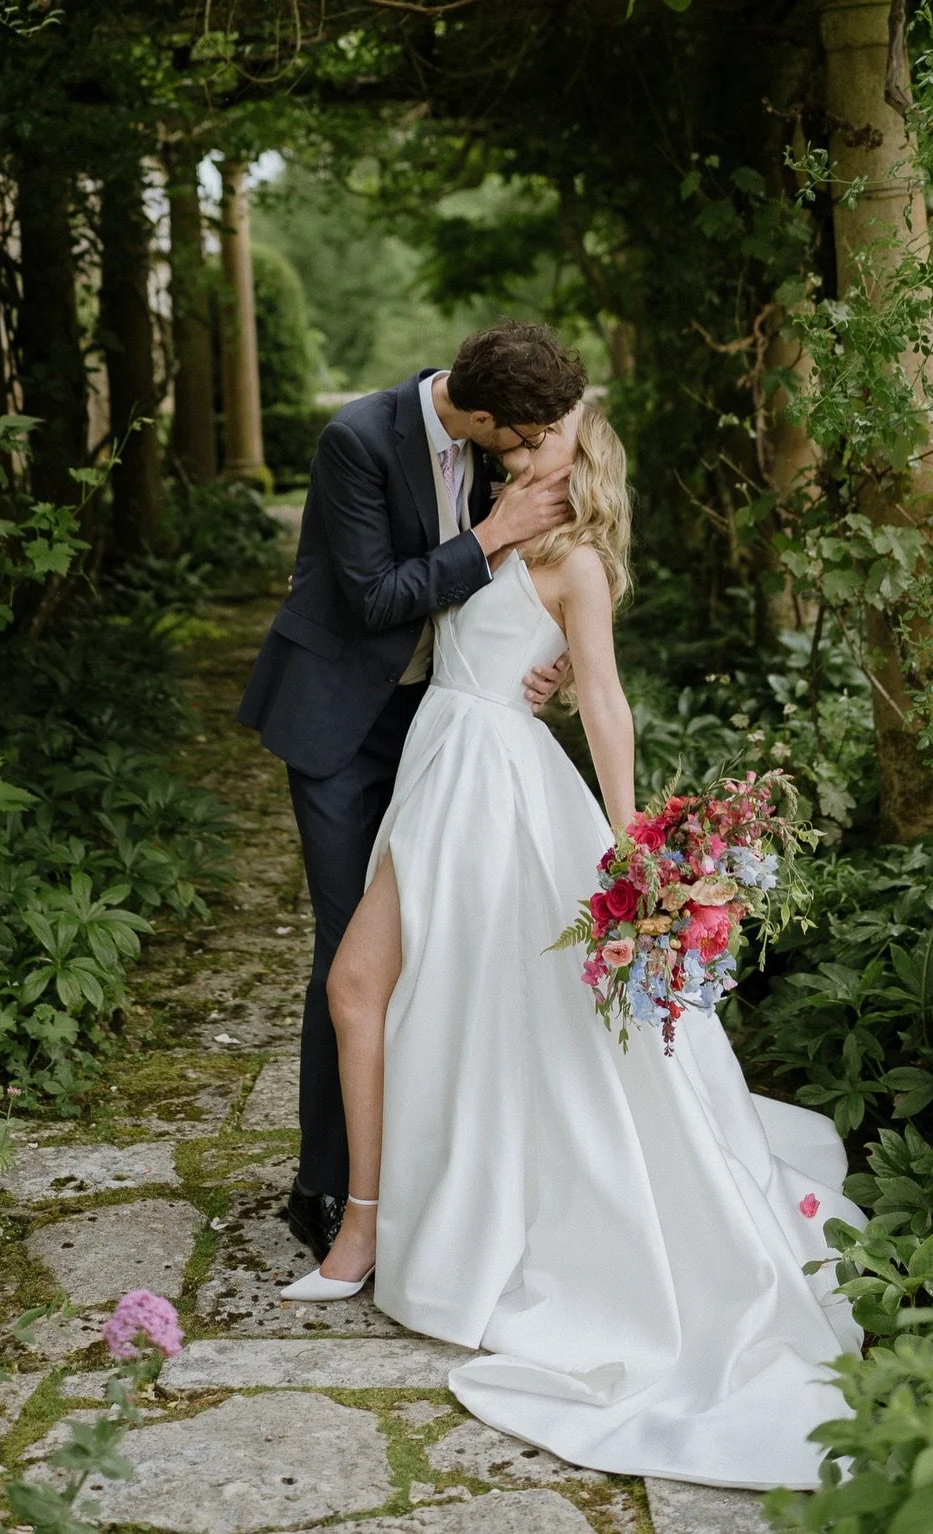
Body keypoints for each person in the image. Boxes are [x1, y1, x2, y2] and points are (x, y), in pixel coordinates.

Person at [282, 400, 862, 1490]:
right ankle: (371, 1224)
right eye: (518, 431)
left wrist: (635, 846)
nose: (519, 440)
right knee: (378, 994)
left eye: (543, 433)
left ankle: (373, 1231)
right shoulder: (485, 515)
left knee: (410, 996)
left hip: (496, 794)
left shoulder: (578, 562)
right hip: (441, 771)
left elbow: (605, 701)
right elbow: (419, 607)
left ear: (578, 451)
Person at [238, 323, 588, 1261]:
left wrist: (551, 649)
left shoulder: (496, 437)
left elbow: (519, 574)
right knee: (349, 948)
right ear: (480, 416)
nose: (528, 457)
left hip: (435, 723)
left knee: (440, 943)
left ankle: (422, 1169)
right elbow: (376, 598)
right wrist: (494, 533)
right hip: (338, 725)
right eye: (522, 438)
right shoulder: (357, 439)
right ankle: (324, 1184)